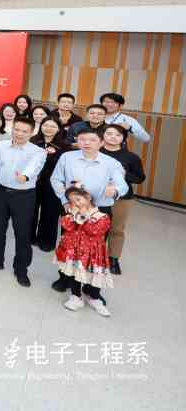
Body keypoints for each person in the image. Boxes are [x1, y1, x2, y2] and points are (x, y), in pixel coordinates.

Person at [49, 129, 128, 299]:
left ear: (101, 143)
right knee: (68, 246)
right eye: (82, 139)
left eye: (92, 140)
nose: (86, 143)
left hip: (98, 212)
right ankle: (65, 279)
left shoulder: (111, 163)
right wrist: (65, 201)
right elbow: (55, 180)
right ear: (77, 141)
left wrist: (114, 190)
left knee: (94, 250)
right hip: (73, 208)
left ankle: (91, 286)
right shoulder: (67, 157)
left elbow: (123, 186)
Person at [0, 116, 46, 287]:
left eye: (25, 131)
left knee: (22, 234)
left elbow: (34, 167)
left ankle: (21, 269)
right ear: (12, 129)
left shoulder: (38, 152)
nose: (20, 134)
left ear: (32, 133)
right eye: (17, 129)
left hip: (24, 196)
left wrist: (25, 176)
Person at [54, 187, 114, 317]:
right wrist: (72, 215)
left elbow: (93, 230)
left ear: (88, 197)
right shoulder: (73, 214)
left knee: (95, 276)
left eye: (78, 199)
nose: (76, 203)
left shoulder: (102, 216)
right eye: (72, 202)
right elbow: (66, 225)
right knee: (76, 274)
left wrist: (82, 216)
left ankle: (94, 298)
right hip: (76, 252)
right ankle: (76, 297)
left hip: (93, 255)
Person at [100, 124, 145, 275]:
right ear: (103, 135)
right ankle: (94, 256)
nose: (113, 137)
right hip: (96, 196)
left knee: (116, 229)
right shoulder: (95, 152)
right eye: (109, 133)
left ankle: (113, 259)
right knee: (94, 228)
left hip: (121, 198)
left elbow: (140, 178)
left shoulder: (131, 157)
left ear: (124, 138)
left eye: (118, 135)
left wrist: (124, 175)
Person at [31, 117, 69, 252]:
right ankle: (30, 237)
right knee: (31, 211)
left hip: (53, 184)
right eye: (45, 125)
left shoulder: (64, 146)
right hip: (32, 182)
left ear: (58, 129)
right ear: (41, 126)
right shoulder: (33, 141)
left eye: (53, 126)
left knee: (50, 213)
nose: (48, 128)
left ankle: (46, 241)